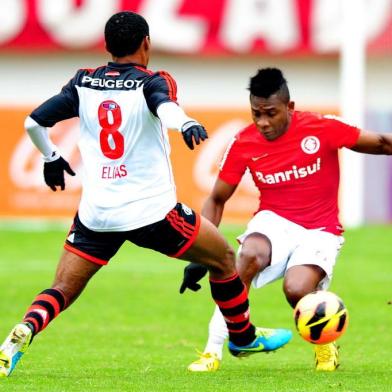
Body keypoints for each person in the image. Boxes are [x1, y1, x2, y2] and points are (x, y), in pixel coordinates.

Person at [0, 13, 293, 378]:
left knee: (61, 288)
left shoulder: (83, 81)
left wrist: (51, 157)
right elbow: (163, 105)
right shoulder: (153, 80)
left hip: (97, 215)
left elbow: (33, 122)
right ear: (147, 44)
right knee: (223, 258)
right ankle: (243, 336)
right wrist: (184, 122)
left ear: (107, 46)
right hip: (152, 215)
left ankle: (23, 331)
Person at [180, 67, 392, 372]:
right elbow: (216, 198)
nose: (263, 123)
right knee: (245, 258)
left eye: (271, 113)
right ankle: (212, 352)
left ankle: (325, 344)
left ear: (289, 107)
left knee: (296, 290)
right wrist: (201, 251)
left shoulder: (322, 128)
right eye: (256, 113)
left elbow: (382, 143)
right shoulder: (244, 142)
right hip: (273, 222)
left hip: (321, 230)